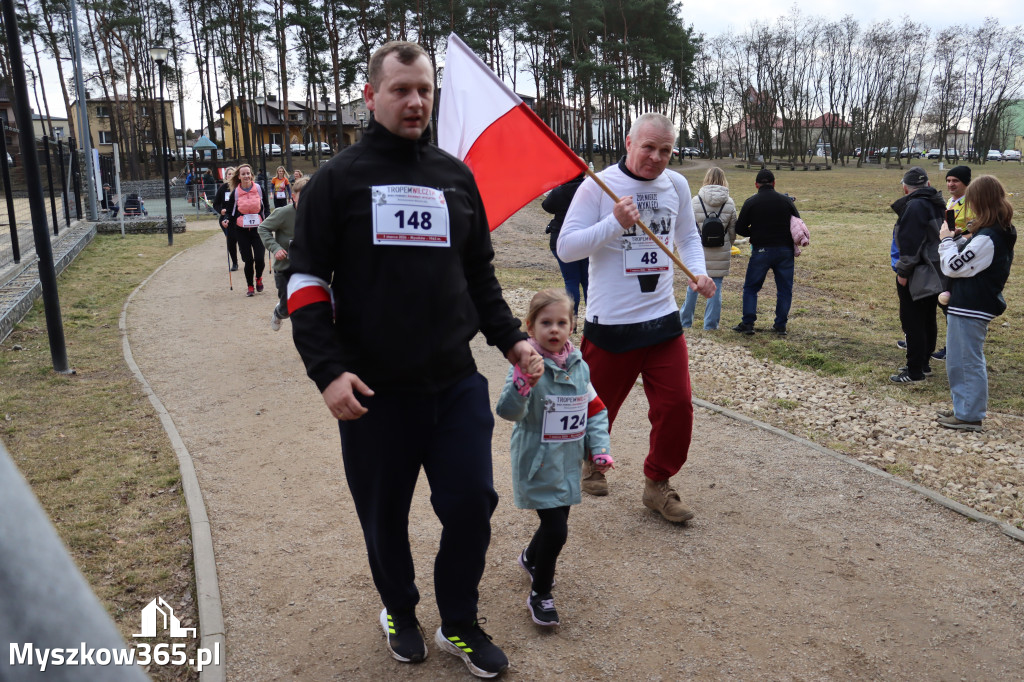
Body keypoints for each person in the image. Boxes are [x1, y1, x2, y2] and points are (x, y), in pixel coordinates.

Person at [286, 40, 541, 678]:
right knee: (384, 516)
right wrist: (327, 371)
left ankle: (459, 621)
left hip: (453, 384)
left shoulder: (456, 177)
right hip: (373, 393)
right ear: (370, 96)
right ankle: (399, 610)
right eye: (401, 89)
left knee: (471, 503)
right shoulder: (337, 180)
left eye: (425, 89)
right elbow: (306, 281)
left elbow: (478, 275)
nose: (415, 101)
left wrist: (512, 339)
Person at [557, 112, 715, 519]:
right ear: (629, 143)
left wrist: (698, 272)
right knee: (596, 408)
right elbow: (567, 248)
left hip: (662, 320)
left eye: (665, 150)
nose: (656, 157)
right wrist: (614, 223)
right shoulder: (599, 186)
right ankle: (592, 459)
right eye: (648, 147)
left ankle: (657, 484)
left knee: (677, 406)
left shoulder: (676, 184)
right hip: (611, 323)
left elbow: (687, 236)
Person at [495, 289, 611, 628]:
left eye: (562, 322)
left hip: (568, 462)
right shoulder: (526, 364)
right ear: (530, 328)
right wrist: (523, 384)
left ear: (572, 326)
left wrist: (599, 449)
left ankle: (531, 557)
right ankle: (540, 593)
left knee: (555, 521)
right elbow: (508, 411)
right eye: (546, 323)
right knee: (557, 530)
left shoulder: (580, 366)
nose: (555, 329)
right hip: (538, 460)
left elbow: (595, 410)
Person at [936, 175, 1016, 431]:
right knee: (959, 359)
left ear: (980, 201)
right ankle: (964, 408)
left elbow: (953, 266)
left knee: (965, 360)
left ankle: (969, 414)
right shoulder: (995, 230)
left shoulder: (989, 236)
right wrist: (960, 240)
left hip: (972, 305)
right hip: (971, 303)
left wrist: (946, 241)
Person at [889, 166, 945, 383]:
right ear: (927, 184)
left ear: (905, 188)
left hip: (919, 272)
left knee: (912, 321)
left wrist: (903, 272)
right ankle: (924, 364)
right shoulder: (936, 202)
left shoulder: (915, 206)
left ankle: (914, 372)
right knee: (928, 318)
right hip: (936, 270)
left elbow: (911, 243)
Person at [732, 169, 800, 335]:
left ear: (756, 185)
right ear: (774, 183)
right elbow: (797, 222)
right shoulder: (786, 201)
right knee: (784, 289)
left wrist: (754, 232)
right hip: (785, 250)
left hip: (761, 250)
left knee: (751, 287)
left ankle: (748, 323)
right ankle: (780, 325)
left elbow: (739, 228)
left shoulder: (751, 202)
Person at [679, 166, 738, 330]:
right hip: (720, 250)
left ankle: (685, 321)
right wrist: (728, 244)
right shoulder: (729, 202)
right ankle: (711, 325)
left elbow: (688, 228)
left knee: (693, 286)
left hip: (698, 250)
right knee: (716, 288)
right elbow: (732, 231)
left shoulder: (695, 201)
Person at [259, 175, 307, 331]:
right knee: (287, 308)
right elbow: (263, 228)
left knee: (306, 306)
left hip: (307, 268)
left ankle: (305, 336)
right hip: (285, 267)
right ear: (293, 197)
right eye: (302, 196)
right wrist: (275, 248)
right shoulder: (283, 213)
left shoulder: (318, 214)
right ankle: (279, 311)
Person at [541, 173, 588, 320]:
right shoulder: (589, 189)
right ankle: (592, 319)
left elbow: (546, 206)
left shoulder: (559, 191)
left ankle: (571, 321)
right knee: (588, 281)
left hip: (561, 239)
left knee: (571, 280)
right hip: (585, 239)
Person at [221, 164, 268, 296]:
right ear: (239, 176)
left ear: (251, 175)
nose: (246, 176)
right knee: (248, 260)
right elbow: (230, 211)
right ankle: (250, 286)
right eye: (243, 174)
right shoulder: (236, 192)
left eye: (248, 173)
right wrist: (226, 219)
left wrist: (268, 221)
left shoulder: (259, 189)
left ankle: (258, 278)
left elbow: (266, 207)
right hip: (241, 230)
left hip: (258, 229)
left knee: (259, 258)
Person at [213, 166, 239, 271]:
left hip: (238, 217)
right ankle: (235, 263)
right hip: (225, 219)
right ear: (226, 176)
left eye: (233, 174)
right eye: (229, 174)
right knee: (231, 240)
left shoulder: (239, 187)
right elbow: (216, 204)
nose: (231, 176)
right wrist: (220, 210)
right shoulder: (223, 188)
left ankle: (246, 257)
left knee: (241, 238)